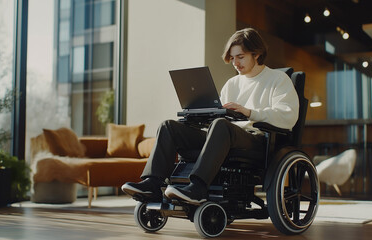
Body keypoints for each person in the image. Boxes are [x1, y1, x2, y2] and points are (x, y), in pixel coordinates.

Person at [121, 28, 299, 204]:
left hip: (257, 141)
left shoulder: (278, 79)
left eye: (240, 56)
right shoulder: (232, 83)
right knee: (169, 127)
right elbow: (219, 117)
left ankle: (198, 187)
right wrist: (200, 115)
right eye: (232, 58)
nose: (235, 63)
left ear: (257, 54)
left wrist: (249, 112)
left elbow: (288, 116)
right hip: (222, 136)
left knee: (221, 125)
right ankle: (152, 184)